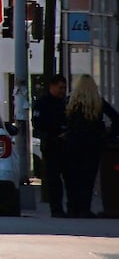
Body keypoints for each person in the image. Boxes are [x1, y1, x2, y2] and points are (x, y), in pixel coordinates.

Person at [61, 74, 119, 217]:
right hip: (93, 144)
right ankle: (84, 208)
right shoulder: (98, 102)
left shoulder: (70, 102)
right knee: (88, 178)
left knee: (72, 177)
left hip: (72, 144)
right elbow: (116, 118)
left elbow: (59, 121)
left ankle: (72, 208)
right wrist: (107, 135)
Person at [32, 74, 68, 217]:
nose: (62, 91)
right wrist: (51, 136)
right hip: (51, 146)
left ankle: (72, 207)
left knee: (69, 178)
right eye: (60, 87)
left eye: (64, 88)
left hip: (66, 146)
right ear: (51, 86)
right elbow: (37, 125)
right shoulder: (42, 103)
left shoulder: (65, 103)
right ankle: (56, 209)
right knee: (53, 180)